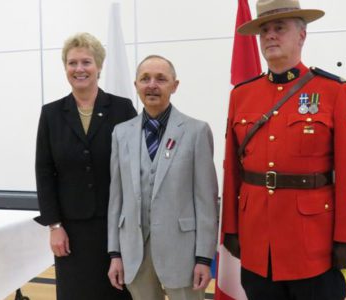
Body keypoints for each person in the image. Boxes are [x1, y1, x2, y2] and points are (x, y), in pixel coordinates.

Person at [221, 0, 346, 299]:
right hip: (257, 242)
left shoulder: (335, 91)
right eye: (264, 30)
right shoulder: (242, 95)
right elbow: (231, 170)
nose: (270, 36)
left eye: (280, 28)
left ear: (301, 35)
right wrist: (231, 228)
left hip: (312, 244)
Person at [107, 55, 218, 300]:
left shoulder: (196, 132)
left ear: (174, 85)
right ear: (136, 85)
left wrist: (204, 258)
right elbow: (116, 199)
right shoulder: (121, 133)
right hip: (135, 253)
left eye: (161, 78)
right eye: (145, 79)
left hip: (183, 255)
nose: (152, 85)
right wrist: (115, 253)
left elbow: (206, 202)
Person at [35, 32, 136, 300]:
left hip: (116, 227)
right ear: (65, 67)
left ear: (99, 66)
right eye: (72, 63)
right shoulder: (51, 114)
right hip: (71, 231)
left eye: (86, 62)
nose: (79, 69)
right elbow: (44, 172)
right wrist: (54, 226)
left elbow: (135, 168)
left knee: (116, 292)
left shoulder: (122, 109)